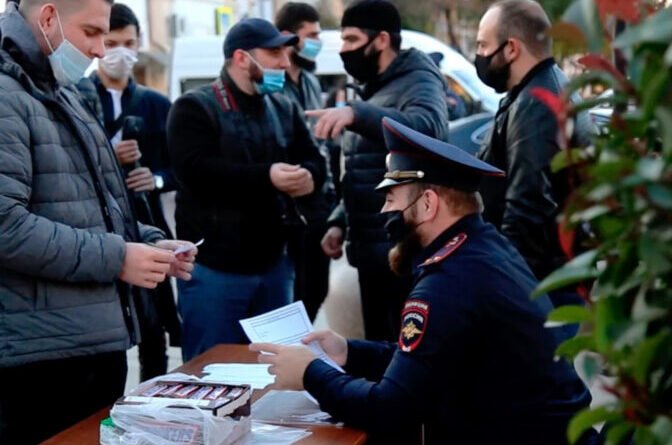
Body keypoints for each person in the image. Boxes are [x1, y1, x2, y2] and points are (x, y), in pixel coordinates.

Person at [0, 1, 197, 443]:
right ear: (48, 18)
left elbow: (89, 205)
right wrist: (118, 258)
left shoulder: (58, 90)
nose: (98, 50)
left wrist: (148, 243)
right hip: (39, 351)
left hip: (87, 335)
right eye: (90, 33)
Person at [250, 117, 599, 445]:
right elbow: (430, 359)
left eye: (391, 198)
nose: (386, 211)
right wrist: (350, 352)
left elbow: (390, 409)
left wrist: (311, 373)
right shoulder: (481, 248)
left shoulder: (450, 280)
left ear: (428, 203)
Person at [168, 18, 326, 361]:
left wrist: (309, 178)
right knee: (208, 376)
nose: (285, 62)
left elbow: (316, 158)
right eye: (273, 53)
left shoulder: (284, 106)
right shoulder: (194, 107)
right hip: (214, 271)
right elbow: (196, 172)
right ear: (241, 58)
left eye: (285, 52)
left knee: (276, 374)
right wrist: (267, 176)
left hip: (274, 266)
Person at [310, 0, 448, 341]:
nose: (343, 50)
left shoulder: (418, 79)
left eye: (352, 40)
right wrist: (339, 222)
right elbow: (366, 171)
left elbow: (429, 129)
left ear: (382, 40)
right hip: (371, 252)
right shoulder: (375, 89)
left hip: (401, 253)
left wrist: (359, 115)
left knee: (401, 356)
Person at [77, 3, 179, 381]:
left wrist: (155, 179)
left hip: (147, 222)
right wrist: (108, 154)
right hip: (99, 231)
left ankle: (153, 399)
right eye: (112, 42)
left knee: (155, 330)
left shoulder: (156, 104)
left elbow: (179, 167)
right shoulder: (77, 96)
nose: (121, 52)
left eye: (129, 42)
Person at [474, 0, 593, 309]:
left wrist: (503, 284)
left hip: (540, 287)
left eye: (483, 45)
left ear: (511, 48)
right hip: (551, 280)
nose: (480, 56)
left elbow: (526, 208)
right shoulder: (535, 91)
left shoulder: (536, 103)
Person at [275, 2, 336, 321]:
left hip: (319, 201)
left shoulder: (312, 82)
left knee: (317, 289)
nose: (317, 41)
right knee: (292, 294)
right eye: (310, 34)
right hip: (290, 203)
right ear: (288, 37)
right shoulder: (273, 84)